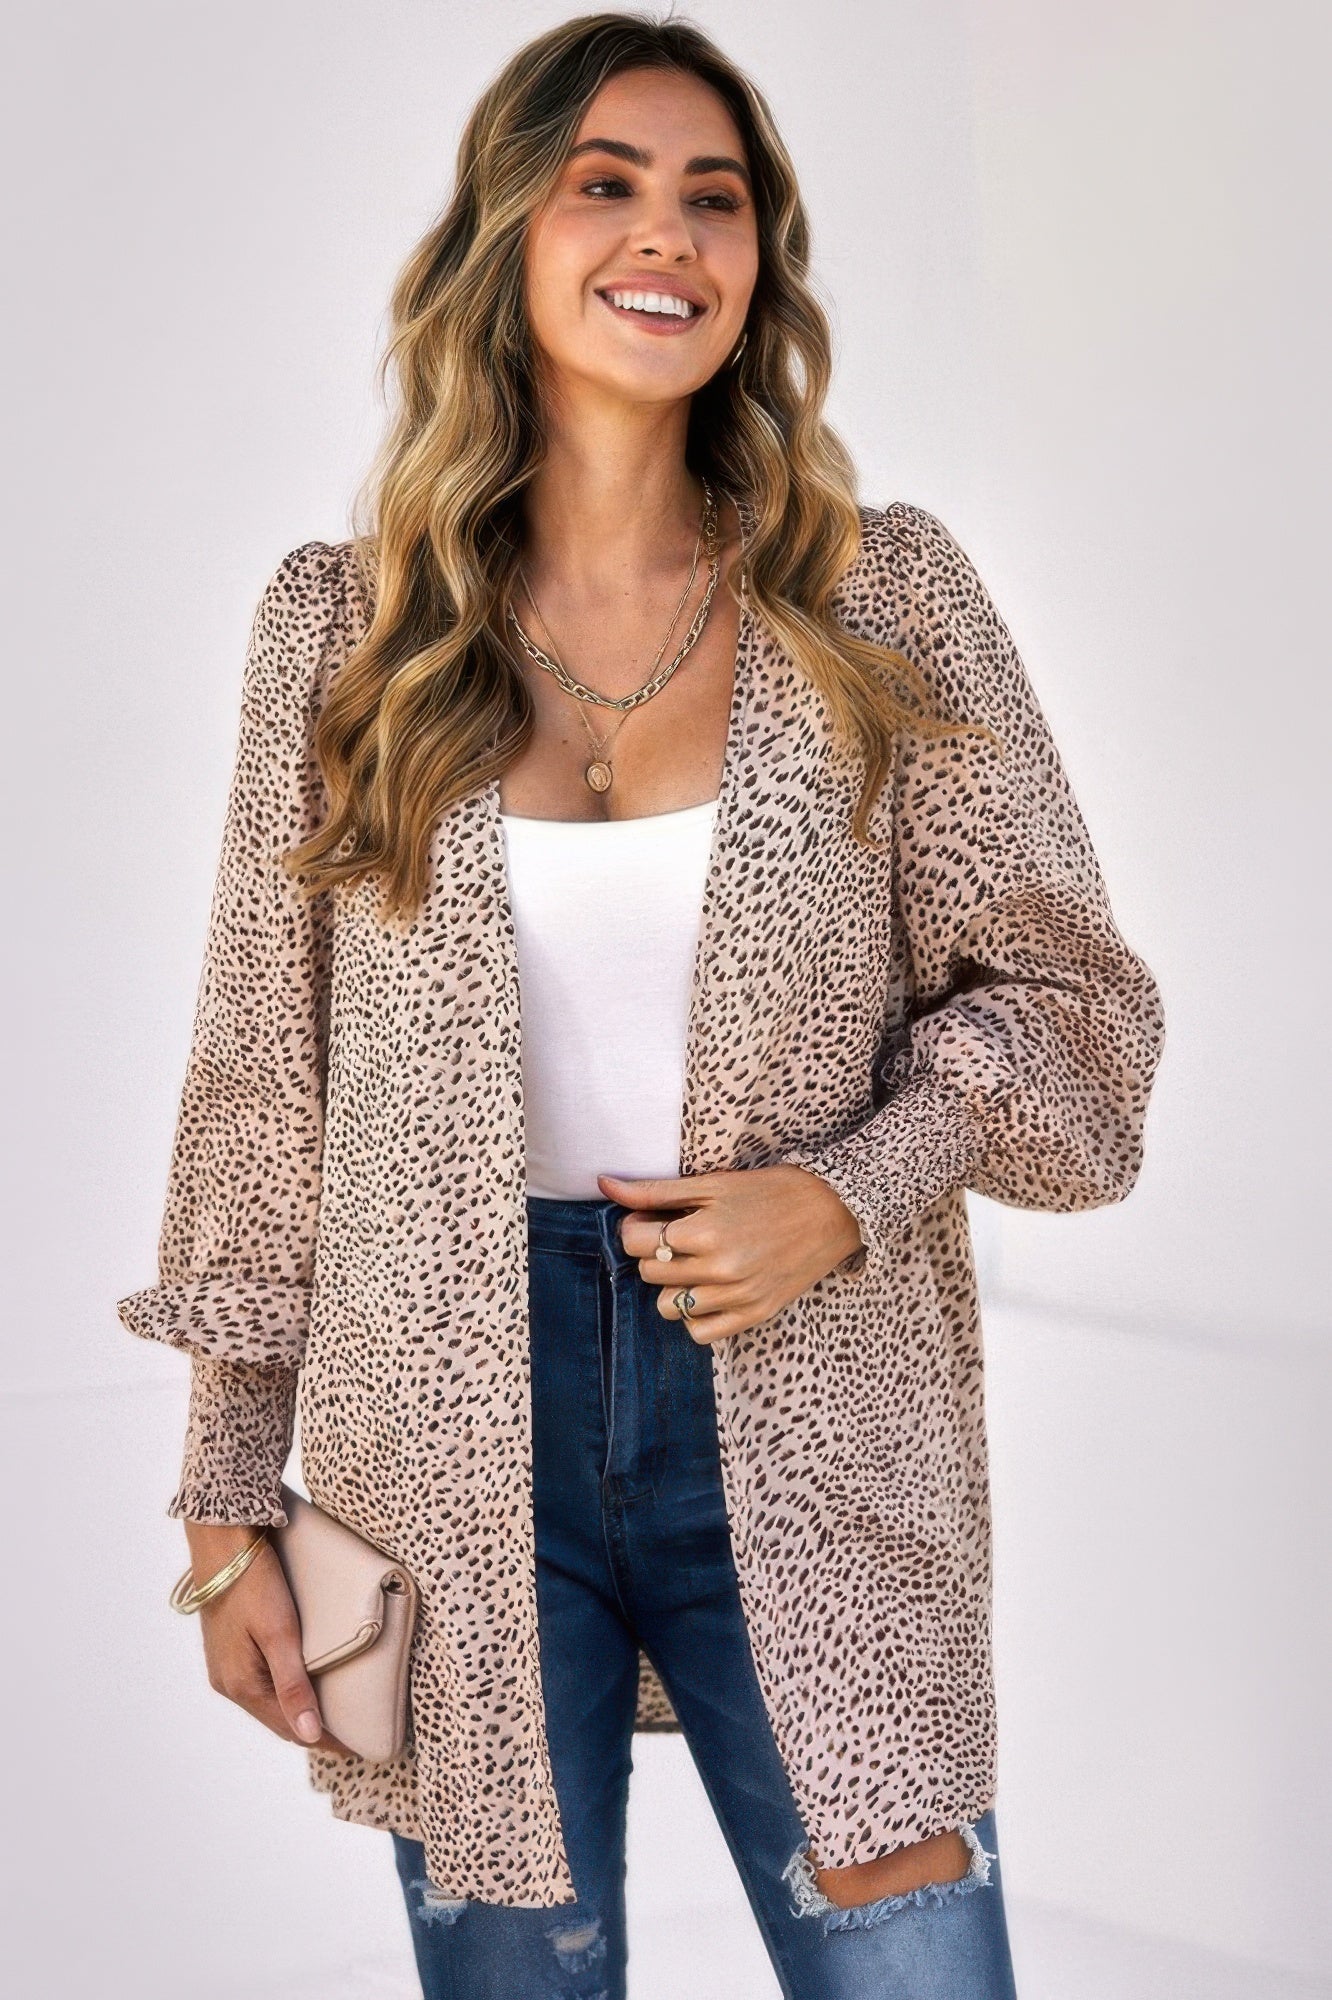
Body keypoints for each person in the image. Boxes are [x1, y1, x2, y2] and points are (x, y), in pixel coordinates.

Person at [115, 14, 1166, 1999]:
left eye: (716, 197)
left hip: (816, 1396)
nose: (667, 233)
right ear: (505, 234)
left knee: (919, 1964)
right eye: (605, 184)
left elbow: (1075, 1017)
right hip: (439, 1432)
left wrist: (846, 1189)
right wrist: (228, 1509)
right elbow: (265, 1094)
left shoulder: (878, 607)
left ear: (760, 259)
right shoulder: (346, 635)